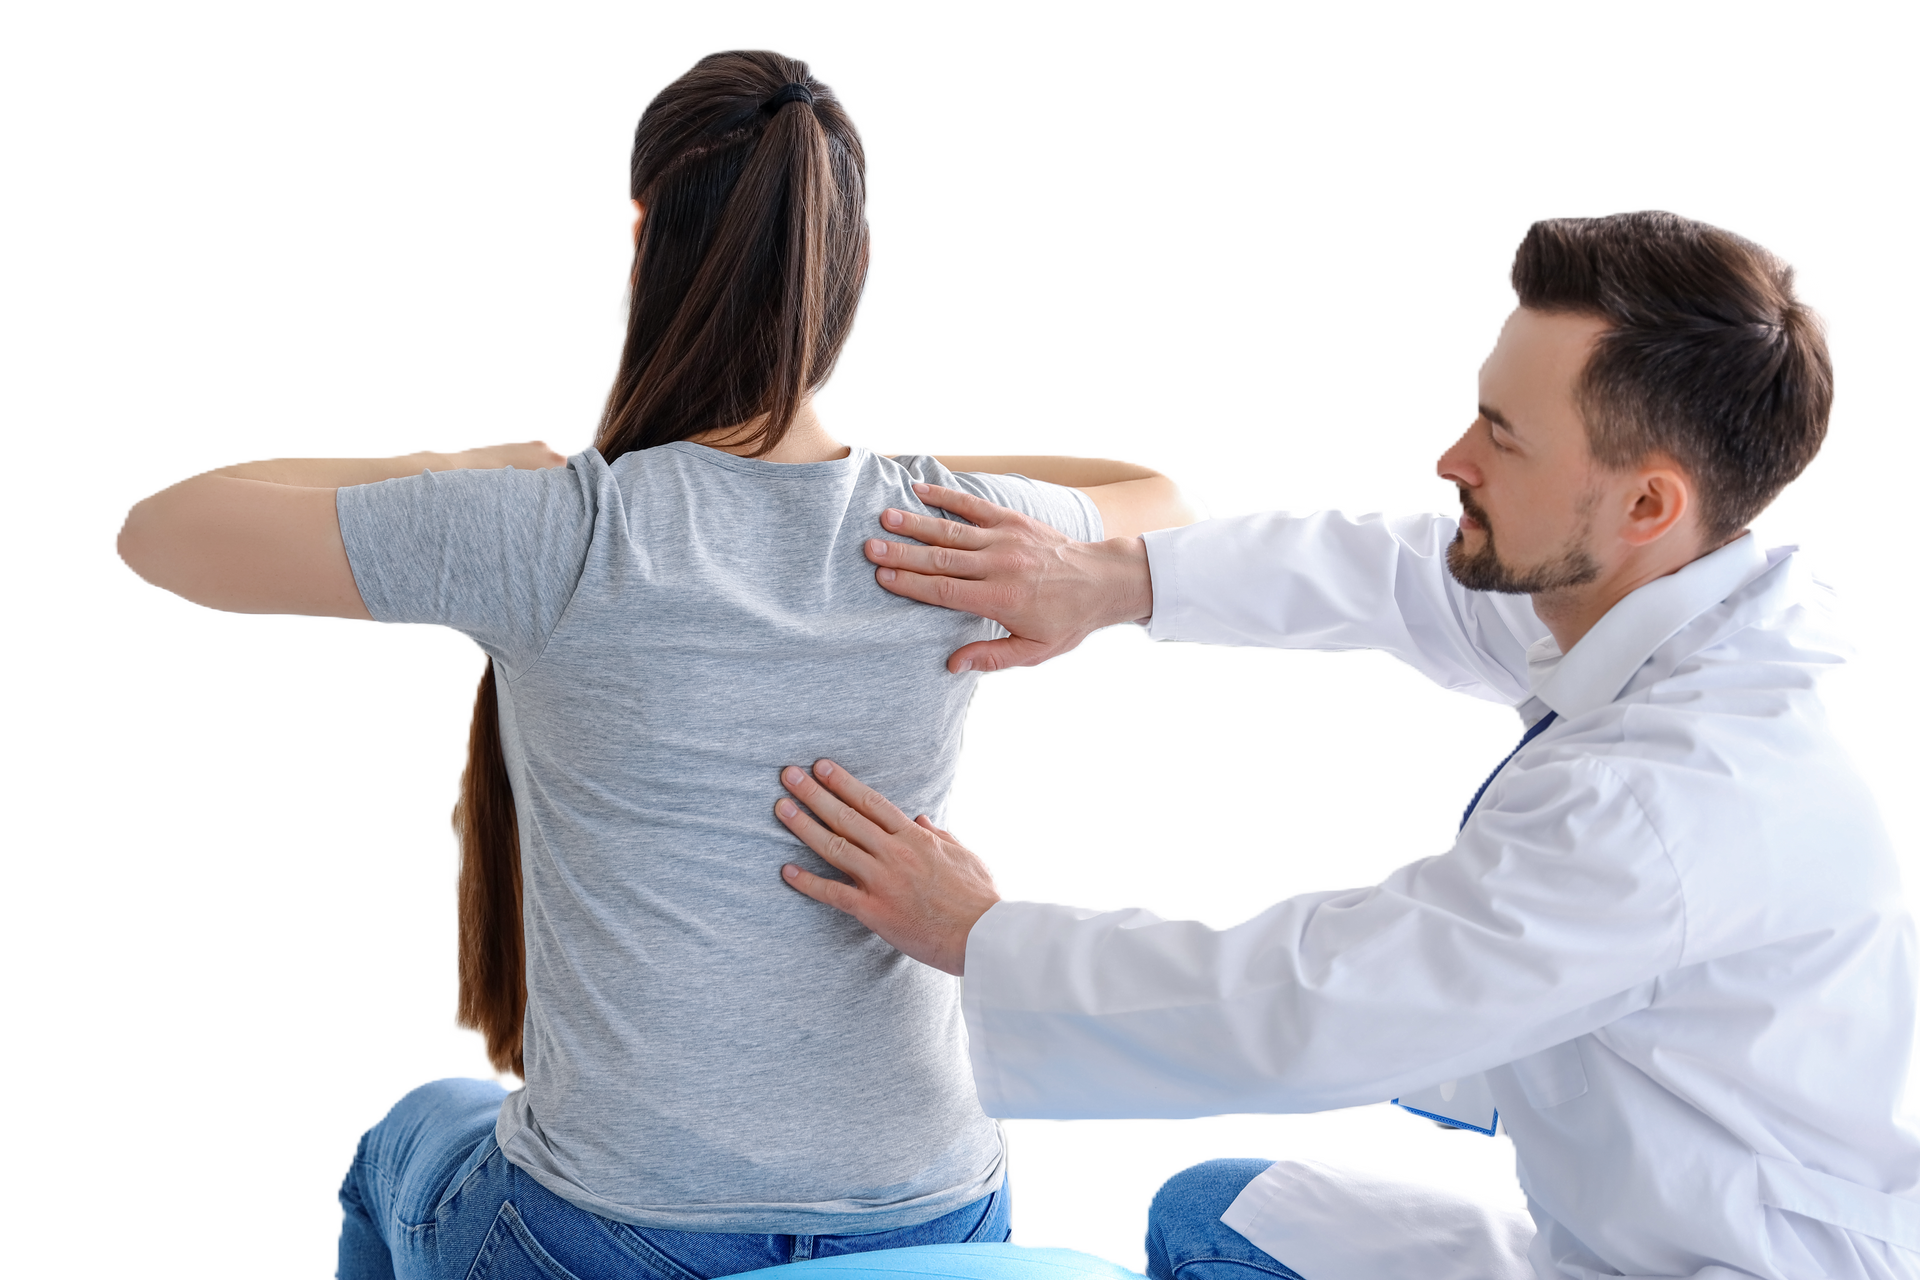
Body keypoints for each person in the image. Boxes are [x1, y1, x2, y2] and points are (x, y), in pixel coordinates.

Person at [108, 43, 1209, 1280]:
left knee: (407, 1137)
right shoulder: (952, 535)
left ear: (640, 234)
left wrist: (469, 473)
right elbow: (1166, 500)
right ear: (850, 262)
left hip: (617, 1229)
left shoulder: (563, 528)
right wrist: (920, 488)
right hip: (935, 1210)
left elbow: (159, 532)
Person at [767, 208, 1920, 1279]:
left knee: (1214, 1212)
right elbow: (1405, 575)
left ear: (1647, 505)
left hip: (1717, 1263)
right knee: (1215, 1215)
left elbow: (1308, 1005)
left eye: (1503, 439)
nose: (1451, 457)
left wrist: (984, 936)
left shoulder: (1670, 803)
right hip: (1630, 1217)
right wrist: (1109, 576)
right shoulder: (1648, 601)